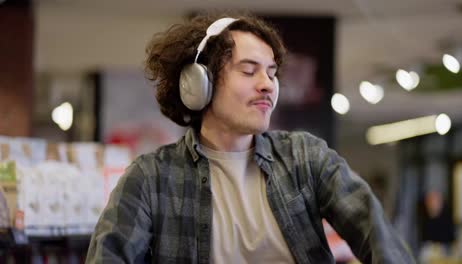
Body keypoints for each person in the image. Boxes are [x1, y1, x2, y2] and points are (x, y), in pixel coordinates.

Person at [86, 12, 415, 263]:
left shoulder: (306, 159)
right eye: (248, 70)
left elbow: (375, 232)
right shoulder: (151, 179)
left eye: (272, 73)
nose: (267, 84)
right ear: (200, 84)